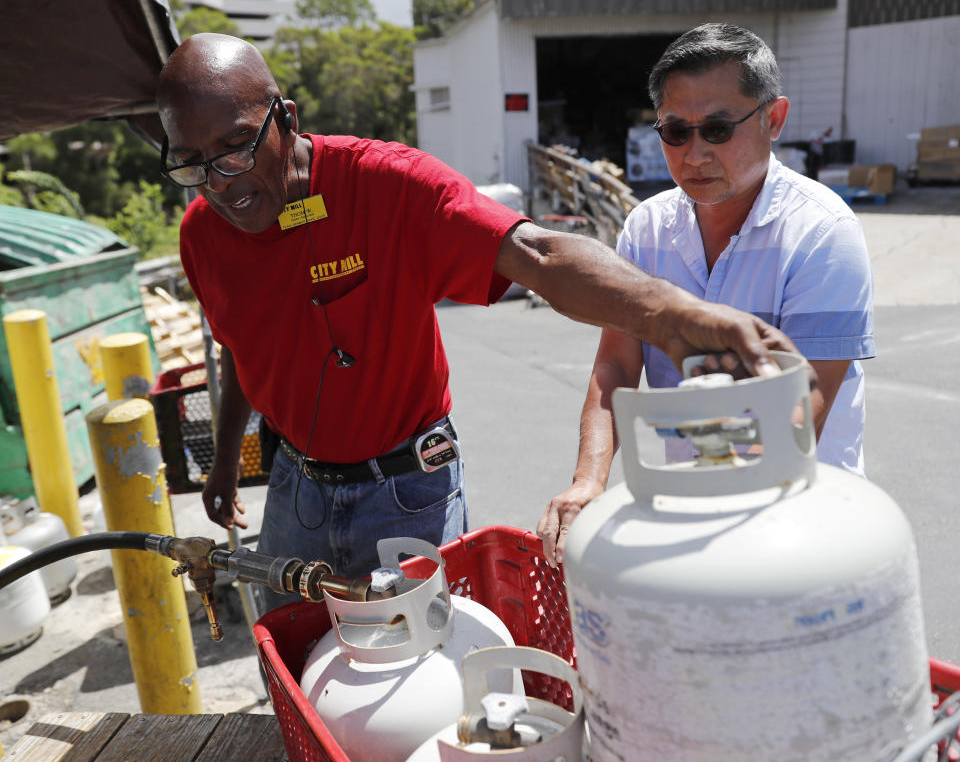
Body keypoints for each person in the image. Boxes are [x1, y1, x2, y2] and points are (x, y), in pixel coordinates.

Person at [156, 33, 796, 613]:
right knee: (295, 670)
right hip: (295, 490)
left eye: (237, 146)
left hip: (407, 489)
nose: (220, 182)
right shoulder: (202, 236)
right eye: (191, 163)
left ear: (285, 120)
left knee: (427, 670)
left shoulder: (386, 185)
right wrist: (222, 468)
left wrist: (668, 312)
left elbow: (539, 255)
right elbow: (239, 346)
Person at [538, 23, 875, 567]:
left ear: (774, 119)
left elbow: (802, 406)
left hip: (799, 525)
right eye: (675, 131)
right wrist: (586, 481)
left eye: (717, 129)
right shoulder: (645, 229)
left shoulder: (822, 232)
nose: (693, 155)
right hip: (682, 513)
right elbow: (616, 368)